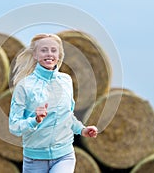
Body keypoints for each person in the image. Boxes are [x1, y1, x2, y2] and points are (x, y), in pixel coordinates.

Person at [9, 33, 98, 173]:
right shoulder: (24, 86)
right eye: (44, 50)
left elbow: (67, 117)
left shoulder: (66, 81)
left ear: (59, 55)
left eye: (53, 50)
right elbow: (14, 126)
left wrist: (82, 129)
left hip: (64, 155)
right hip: (34, 160)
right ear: (35, 55)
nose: (49, 54)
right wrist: (35, 120)